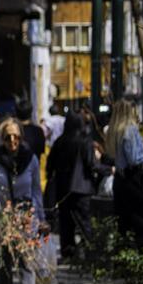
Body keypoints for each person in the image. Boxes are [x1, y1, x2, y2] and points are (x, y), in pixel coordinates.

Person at [0, 119, 49, 284]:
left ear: (21, 137)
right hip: (4, 216)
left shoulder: (30, 159)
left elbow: (36, 191)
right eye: (7, 137)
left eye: (16, 136)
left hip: (26, 216)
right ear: (2, 139)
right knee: (5, 260)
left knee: (26, 259)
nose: (12, 141)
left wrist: (41, 218)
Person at [46, 111, 99, 261]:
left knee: (65, 222)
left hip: (63, 189)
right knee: (84, 222)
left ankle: (68, 252)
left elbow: (50, 166)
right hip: (82, 189)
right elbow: (91, 164)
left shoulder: (59, 142)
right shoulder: (85, 141)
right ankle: (90, 253)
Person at [105, 99, 143, 247]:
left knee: (124, 222)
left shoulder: (115, 132)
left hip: (120, 180)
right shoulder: (130, 130)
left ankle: (124, 258)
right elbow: (134, 159)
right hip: (133, 179)